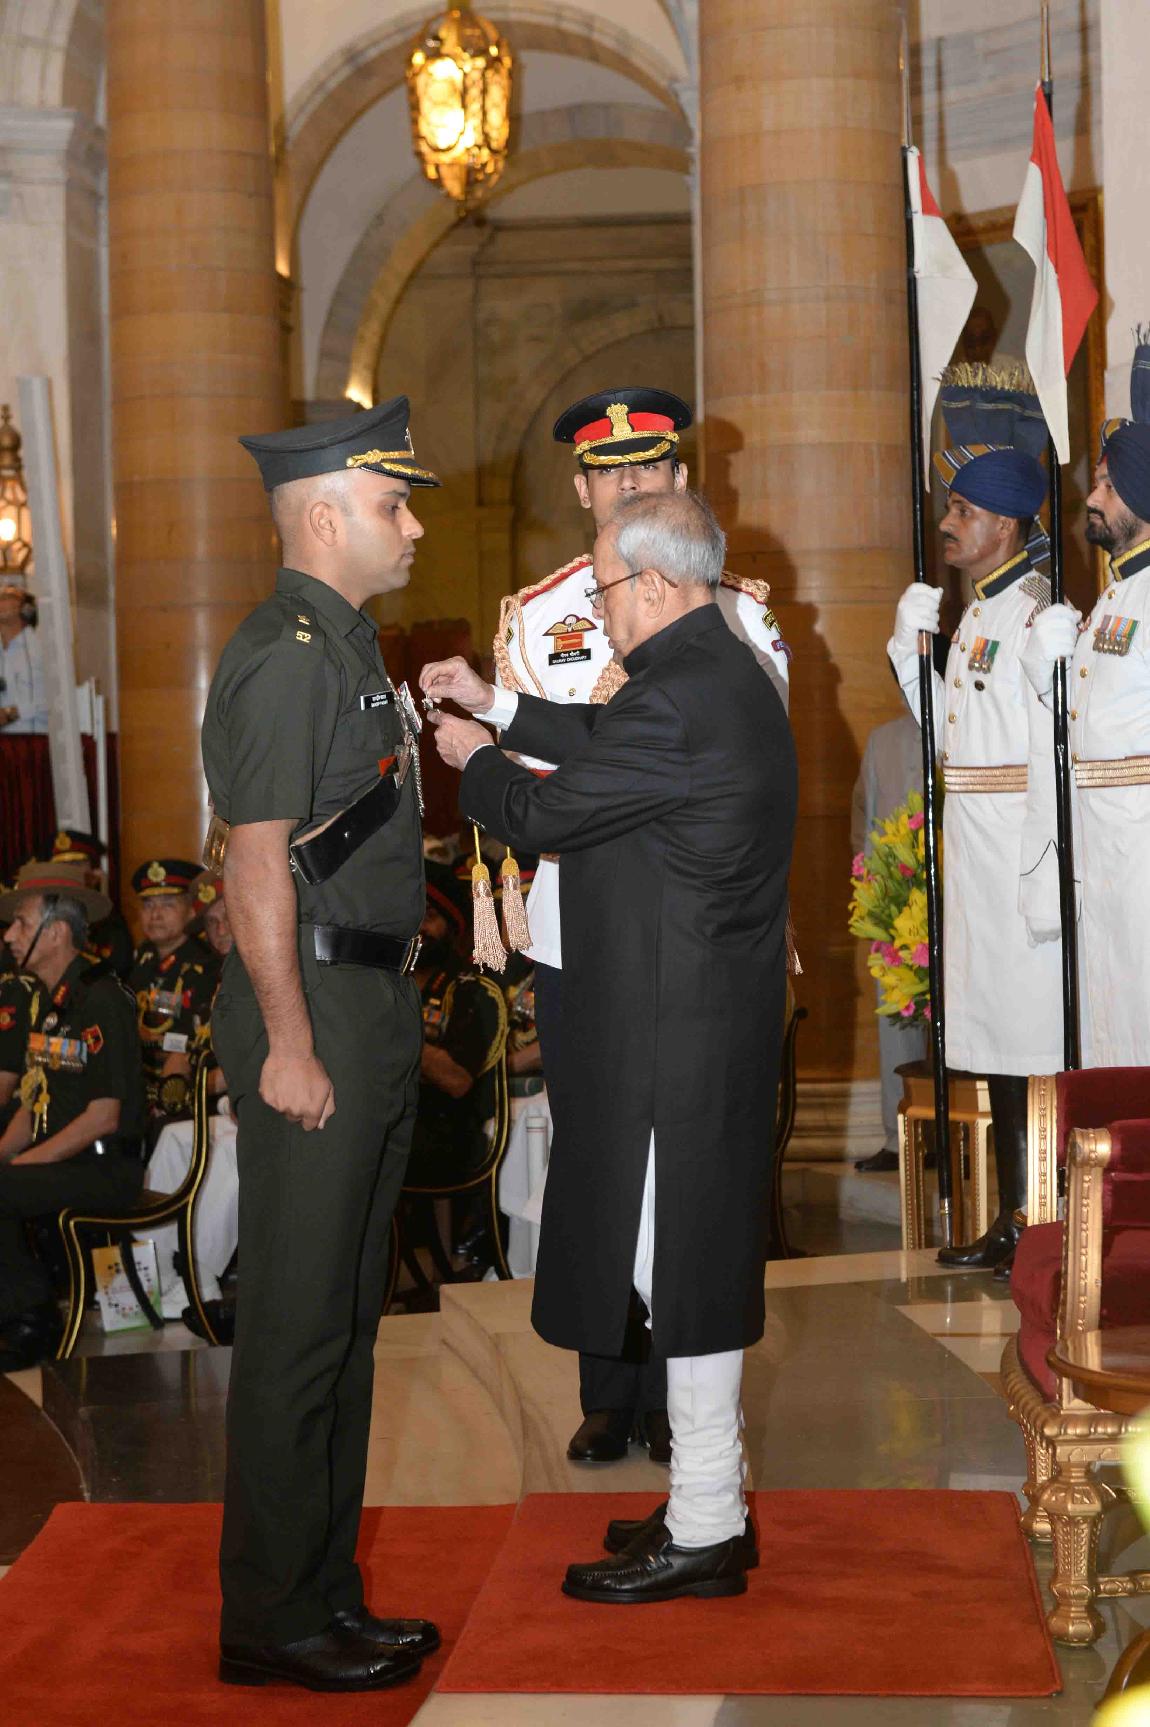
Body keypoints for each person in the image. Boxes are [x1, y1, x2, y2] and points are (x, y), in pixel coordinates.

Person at [423, 489, 797, 1603]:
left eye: (603, 587)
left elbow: (544, 815)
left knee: (674, 1266)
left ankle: (708, 1521)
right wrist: (501, 704)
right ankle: (707, 1501)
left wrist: (473, 758)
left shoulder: (677, 696)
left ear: (657, 584)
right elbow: (602, 739)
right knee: (673, 1261)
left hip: (673, 1032)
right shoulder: (713, 671)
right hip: (691, 1018)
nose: (597, 606)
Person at [494, 385, 791, 1469]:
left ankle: (683, 1395)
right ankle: (610, 1387)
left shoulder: (735, 611)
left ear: (679, 480)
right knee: (599, 1153)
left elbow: (741, 763)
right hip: (584, 924)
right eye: (610, 473)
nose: (630, 486)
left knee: (685, 1166)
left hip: (689, 921)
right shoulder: (540, 613)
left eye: (650, 469)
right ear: (581, 489)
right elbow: (540, 765)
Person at [200, 396, 439, 1693]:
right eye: (393, 504)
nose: (411, 526)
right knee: (297, 1322)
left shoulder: (345, 649)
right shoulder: (289, 653)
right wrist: (289, 1042)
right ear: (327, 516)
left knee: (344, 1319)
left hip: (364, 996)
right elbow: (254, 863)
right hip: (315, 1004)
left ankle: (323, 1590)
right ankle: (271, 1613)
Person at [889, 365, 1063, 1274]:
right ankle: (1014, 1220)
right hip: (977, 863)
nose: (948, 523)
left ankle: (1040, 1222)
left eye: (963, 511)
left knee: (1030, 1051)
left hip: (1015, 866)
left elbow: (1050, 757)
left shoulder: (1032, 615)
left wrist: (1042, 875)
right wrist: (908, 653)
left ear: (1004, 525)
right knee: (994, 1041)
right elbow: (951, 738)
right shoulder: (979, 614)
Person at [1022, 334, 1150, 1068]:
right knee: (1111, 1024)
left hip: (1139, 848)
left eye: (1108, 484)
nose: (1091, 498)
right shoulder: (1113, 598)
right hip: (1103, 849)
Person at [0, 859, 145, 1370]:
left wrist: (23, 1165)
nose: (9, 935)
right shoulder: (48, 1001)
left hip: (105, 1167)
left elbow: (104, 1116)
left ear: (56, 932)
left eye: (21, 923)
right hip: (65, 1162)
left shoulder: (102, 998)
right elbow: (32, 1103)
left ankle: (33, 1319)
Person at [849, 708, 929, 1172]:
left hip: (960, 900)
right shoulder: (883, 740)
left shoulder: (967, 723)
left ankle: (959, 1135)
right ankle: (901, 1139)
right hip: (897, 900)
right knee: (898, 1022)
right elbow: (864, 813)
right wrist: (875, 891)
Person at [127, 859, 215, 1122]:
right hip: (139, 1083)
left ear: (191, 911)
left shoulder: (205, 964)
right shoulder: (143, 957)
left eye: (167, 905)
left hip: (183, 1091)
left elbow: (190, 1046)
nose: (155, 915)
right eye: (148, 905)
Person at [37, 828, 134, 979]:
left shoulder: (108, 921)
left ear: (92, 872)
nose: (69, 873)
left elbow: (118, 968)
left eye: (76, 864)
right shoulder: (40, 915)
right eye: (62, 866)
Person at [0, 576, 48, 734]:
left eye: (7, 596)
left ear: (26, 610)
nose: (0, 599)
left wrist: (13, 713)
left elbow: (58, 701)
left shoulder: (43, 649)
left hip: (35, 742)